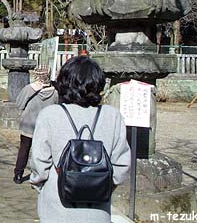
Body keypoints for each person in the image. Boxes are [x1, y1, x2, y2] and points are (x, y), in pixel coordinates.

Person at [30, 56, 130, 223]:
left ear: (64, 82)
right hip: (97, 208)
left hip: (57, 205)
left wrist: (39, 185)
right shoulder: (112, 116)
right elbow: (121, 166)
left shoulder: (50, 115)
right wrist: (99, 186)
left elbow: (39, 163)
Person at [13, 65, 57, 184]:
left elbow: (19, 104)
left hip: (28, 123)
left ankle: (18, 174)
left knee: (24, 149)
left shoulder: (29, 89)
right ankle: (39, 175)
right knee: (42, 152)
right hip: (46, 126)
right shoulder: (55, 92)